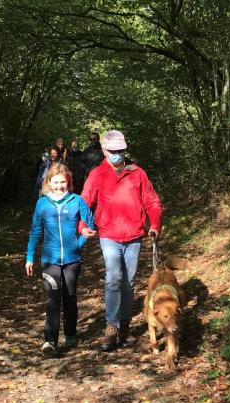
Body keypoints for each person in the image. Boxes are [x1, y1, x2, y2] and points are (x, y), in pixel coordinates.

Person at [80, 130, 162, 351]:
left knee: (129, 282)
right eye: (114, 151)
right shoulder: (97, 174)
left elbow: (152, 202)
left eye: (121, 150)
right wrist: (83, 226)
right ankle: (112, 326)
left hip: (134, 235)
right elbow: (84, 203)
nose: (118, 154)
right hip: (108, 234)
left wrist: (154, 225)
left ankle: (125, 326)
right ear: (105, 151)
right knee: (113, 278)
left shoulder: (138, 173)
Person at [25, 163, 97, 354]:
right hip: (50, 260)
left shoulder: (77, 200)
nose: (59, 186)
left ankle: (71, 334)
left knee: (70, 296)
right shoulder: (42, 203)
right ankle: (50, 341)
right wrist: (29, 257)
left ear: (69, 182)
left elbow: (90, 224)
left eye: (63, 182)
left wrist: (78, 243)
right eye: (56, 182)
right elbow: (35, 231)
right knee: (53, 299)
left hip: (73, 260)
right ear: (48, 182)